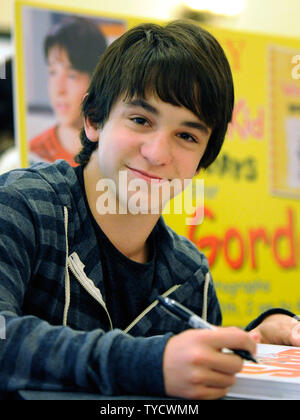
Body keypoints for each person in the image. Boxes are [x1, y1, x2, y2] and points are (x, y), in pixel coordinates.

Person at [0, 20, 299, 400]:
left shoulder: (190, 274)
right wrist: (143, 364)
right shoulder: (22, 206)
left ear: (202, 159)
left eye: (187, 136)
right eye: (141, 120)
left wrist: (251, 344)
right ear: (93, 118)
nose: (158, 154)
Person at [29, 16, 107, 166]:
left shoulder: (110, 154)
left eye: (72, 75)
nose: (59, 89)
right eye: (52, 72)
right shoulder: (34, 153)